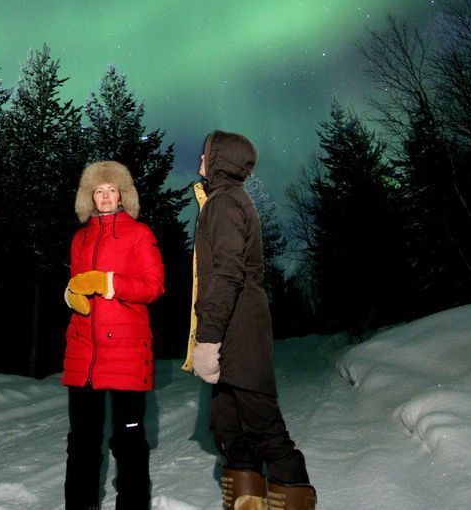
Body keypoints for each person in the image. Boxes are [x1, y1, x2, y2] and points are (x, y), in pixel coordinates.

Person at [183, 130, 317, 510]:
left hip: (238, 329)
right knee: (228, 425)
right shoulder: (223, 200)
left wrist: (208, 340)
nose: (200, 162)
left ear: (220, 159)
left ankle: (292, 497)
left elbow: (228, 274)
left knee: (263, 425)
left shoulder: (224, 204)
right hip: (233, 327)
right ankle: (246, 497)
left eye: (205, 154)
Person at [62, 160, 165, 509]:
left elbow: (153, 287)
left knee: (128, 439)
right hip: (83, 354)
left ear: (123, 195)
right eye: (98, 190)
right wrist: (71, 295)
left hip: (126, 351)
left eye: (111, 190)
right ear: (88, 196)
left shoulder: (140, 233)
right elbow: (77, 283)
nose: (105, 196)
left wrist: (109, 284)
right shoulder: (80, 238)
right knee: (82, 441)